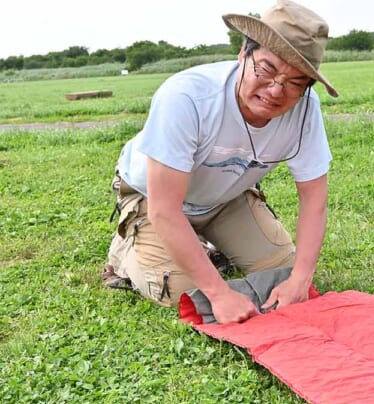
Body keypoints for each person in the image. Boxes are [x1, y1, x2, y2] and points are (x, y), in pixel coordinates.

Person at [102, 0, 338, 324]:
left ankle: (206, 244)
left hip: (226, 198)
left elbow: (314, 199)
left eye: (295, 82)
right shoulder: (186, 98)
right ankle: (125, 252)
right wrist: (219, 293)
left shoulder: (305, 110)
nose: (275, 90)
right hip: (153, 199)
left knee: (283, 272)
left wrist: (300, 280)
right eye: (267, 69)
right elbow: (164, 209)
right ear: (244, 52)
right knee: (180, 293)